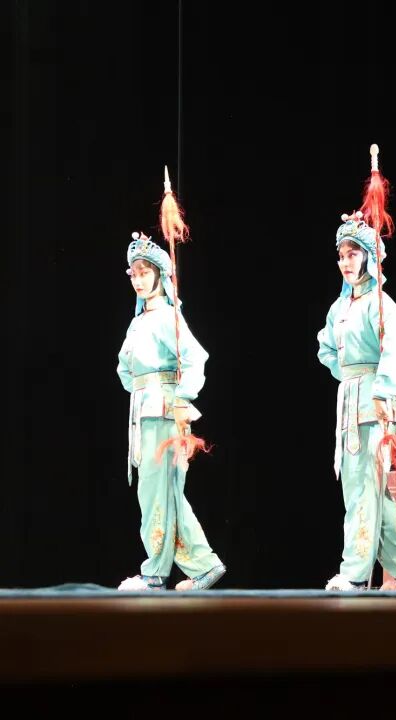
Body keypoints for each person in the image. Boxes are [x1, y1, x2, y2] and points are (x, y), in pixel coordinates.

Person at [316, 154, 396, 592]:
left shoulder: (383, 304)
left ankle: (353, 573)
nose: (346, 262)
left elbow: (393, 354)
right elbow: (326, 348)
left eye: (353, 254)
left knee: (363, 490)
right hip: (349, 397)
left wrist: (382, 394)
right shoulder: (339, 307)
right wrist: (346, 373)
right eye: (341, 255)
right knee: (361, 489)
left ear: (369, 258)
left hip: (372, 401)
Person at [116, 176, 225, 592]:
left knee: (158, 493)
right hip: (144, 410)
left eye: (145, 272)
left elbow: (195, 359)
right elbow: (124, 368)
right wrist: (140, 386)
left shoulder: (166, 316)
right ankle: (203, 565)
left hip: (162, 412)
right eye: (134, 273)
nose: (138, 279)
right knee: (163, 493)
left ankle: (155, 573)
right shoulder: (140, 320)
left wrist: (179, 398)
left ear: (160, 275)